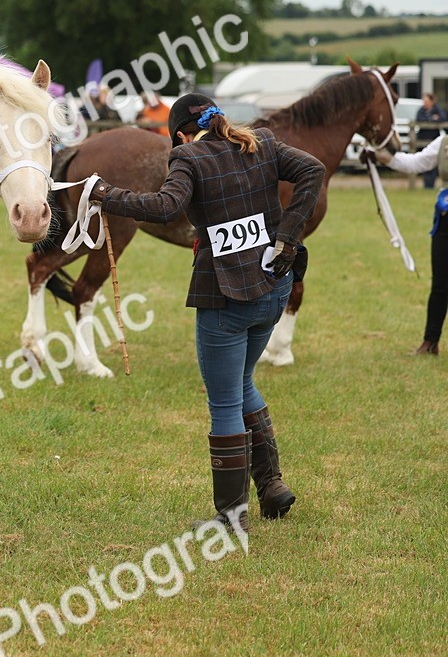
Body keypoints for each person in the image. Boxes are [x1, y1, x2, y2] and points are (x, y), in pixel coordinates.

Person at [89, 94, 325, 532]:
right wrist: (288, 238)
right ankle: (271, 486)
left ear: (179, 133)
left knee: (224, 403)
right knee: (242, 383)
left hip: (225, 300)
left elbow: (165, 207)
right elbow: (314, 170)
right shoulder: (262, 142)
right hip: (273, 291)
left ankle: (231, 518)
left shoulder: (187, 157)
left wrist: (106, 195)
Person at [364, 133, 448, 355]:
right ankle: (430, 342)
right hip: (445, 220)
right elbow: (415, 162)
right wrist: (383, 157)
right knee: (440, 284)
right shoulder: (443, 143)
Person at [413, 93, 446, 189]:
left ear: (432, 102)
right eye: (424, 101)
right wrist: (431, 118)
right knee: (424, 163)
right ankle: (426, 185)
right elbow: (419, 119)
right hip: (422, 140)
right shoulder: (421, 110)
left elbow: (443, 118)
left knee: (434, 164)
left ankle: (431, 185)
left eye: (427, 101)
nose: (425, 103)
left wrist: (431, 119)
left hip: (434, 140)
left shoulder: (437, 109)